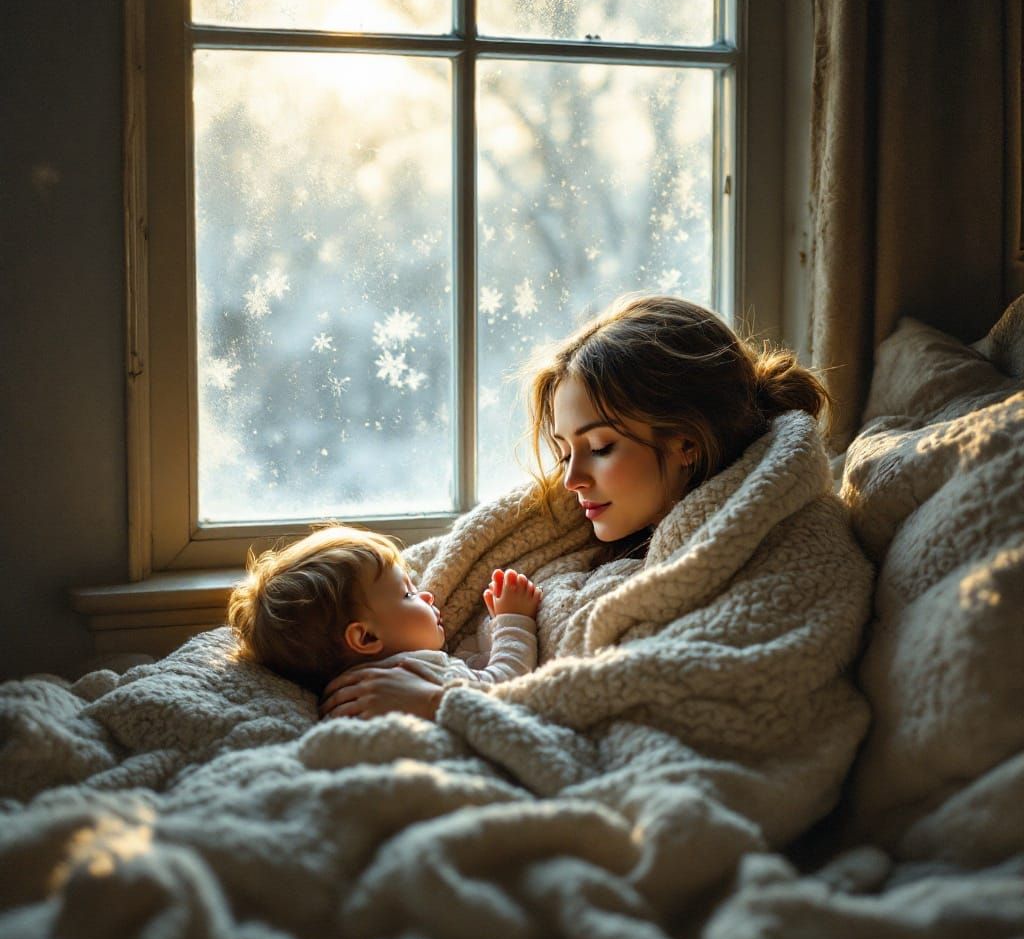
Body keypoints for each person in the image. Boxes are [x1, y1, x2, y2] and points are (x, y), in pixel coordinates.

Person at [318, 292, 836, 723]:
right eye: (564, 452)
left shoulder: (792, 542)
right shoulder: (577, 538)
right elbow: (395, 582)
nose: (570, 480)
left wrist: (439, 703)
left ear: (685, 442)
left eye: (601, 447)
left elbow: (681, 693)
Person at [227, 524, 542, 717]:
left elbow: (466, 674)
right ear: (365, 638)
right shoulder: (413, 673)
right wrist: (514, 619)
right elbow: (504, 687)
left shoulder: (347, 695)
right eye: (408, 595)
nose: (428, 596)